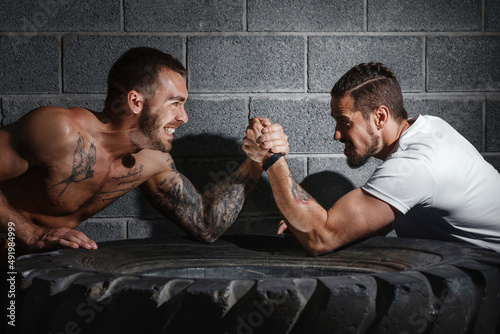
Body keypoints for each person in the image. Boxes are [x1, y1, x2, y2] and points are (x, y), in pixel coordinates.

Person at [0, 46, 289, 253]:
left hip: (28, 269)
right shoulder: (59, 131)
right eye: (175, 103)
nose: (184, 117)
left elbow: (206, 225)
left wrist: (257, 160)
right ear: (136, 102)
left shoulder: (152, 161)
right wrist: (29, 234)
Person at [243, 62, 500, 255]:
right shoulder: (427, 128)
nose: (336, 135)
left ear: (379, 117)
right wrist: (313, 224)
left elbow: (320, 238)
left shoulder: (415, 164)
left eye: (344, 122)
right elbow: (379, 219)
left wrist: (271, 158)